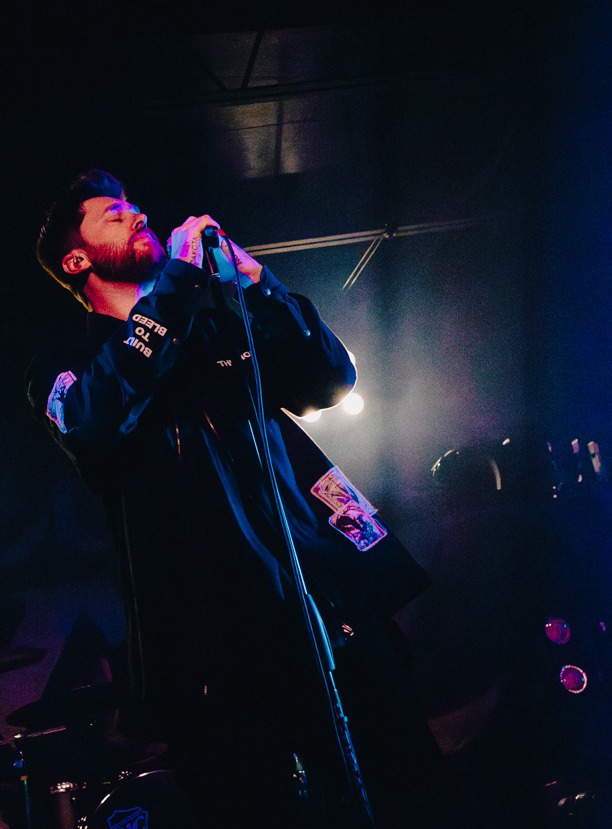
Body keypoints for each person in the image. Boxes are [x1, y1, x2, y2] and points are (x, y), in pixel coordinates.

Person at [26, 170, 450, 829]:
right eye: (112, 214)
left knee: (409, 793)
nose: (137, 214)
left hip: (325, 606)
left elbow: (329, 381)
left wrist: (257, 282)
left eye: (134, 204)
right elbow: (92, 420)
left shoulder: (215, 330)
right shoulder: (67, 366)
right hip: (212, 648)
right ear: (77, 261)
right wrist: (174, 287)